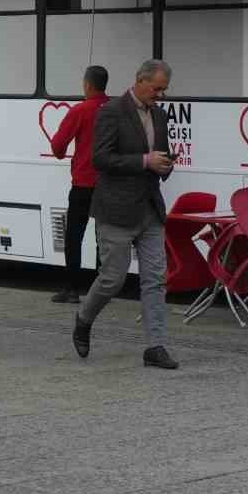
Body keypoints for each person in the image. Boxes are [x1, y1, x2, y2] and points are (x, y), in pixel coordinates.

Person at [73, 59, 178, 370]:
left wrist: (165, 164)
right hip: (116, 209)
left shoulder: (159, 115)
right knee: (112, 279)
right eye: (156, 89)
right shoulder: (111, 111)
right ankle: (83, 319)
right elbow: (100, 158)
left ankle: (155, 347)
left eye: (164, 90)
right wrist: (145, 161)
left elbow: (158, 156)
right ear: (139, 80)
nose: (160, 95)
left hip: (150, 209)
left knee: (155, 280)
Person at [48, 65, 109, 304]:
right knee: (103, 236)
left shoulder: (80, 110)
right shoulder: (116, 110)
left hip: (84, 182)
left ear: (87, 85)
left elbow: (58, 146)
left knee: (74, 235)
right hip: (109, 183)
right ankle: (102, 289)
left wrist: (63, 154)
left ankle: (72, 289)